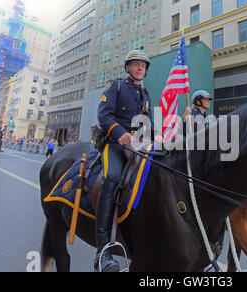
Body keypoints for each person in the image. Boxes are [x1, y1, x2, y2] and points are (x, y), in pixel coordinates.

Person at [96, 50, 161, 272]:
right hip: (115, 143)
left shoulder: (145, 94)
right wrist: (120, 133)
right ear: (127, 68)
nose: (140, 68)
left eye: (143, 65)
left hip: (138, 146)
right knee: (111, 178)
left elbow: (148, 124)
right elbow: (104, 115)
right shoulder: (115, 86)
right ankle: (103, 250)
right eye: (136, 64)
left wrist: (157, 135)